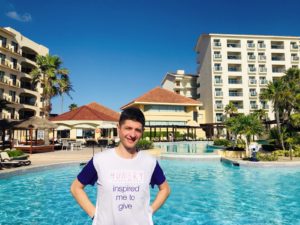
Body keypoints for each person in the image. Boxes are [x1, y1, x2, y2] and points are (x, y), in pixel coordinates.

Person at [70, 107, 170, 225]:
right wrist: (95, 216)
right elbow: (76, 188)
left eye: (137, 130)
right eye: (128, 128)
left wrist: (149, 212)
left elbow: (165, 189)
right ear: (118, 128)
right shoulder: (100, 160)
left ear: (142, 131)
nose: (132, 134)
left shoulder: (149, 162)